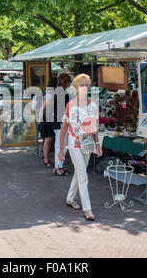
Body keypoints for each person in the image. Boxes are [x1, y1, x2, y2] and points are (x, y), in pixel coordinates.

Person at [58, 74, 102, 221]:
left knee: (79, 173)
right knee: (83, 176)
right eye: (81, 85)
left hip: (88, 143)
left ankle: (70, 198)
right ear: (76, 87)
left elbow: (95, 127)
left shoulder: (93, 105)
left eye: (86, 85)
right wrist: (61, 148)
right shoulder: (71, 105)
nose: (84, 87)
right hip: (74, 143)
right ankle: (87, 209)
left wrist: (97, 144)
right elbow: (64, 127)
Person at [51, 73, 72, 176]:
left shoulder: (57, 91)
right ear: (67, 82)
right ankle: (59, 167)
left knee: (59, 144)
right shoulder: (63, 93)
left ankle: (57, 166)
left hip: (56, 120)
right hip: (60, 121)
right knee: (62, 145)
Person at [38, 77, 58, 168]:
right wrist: (40, 117)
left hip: (50, 118)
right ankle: (46, 160)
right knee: (48, 139)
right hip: (48, 118)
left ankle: (47, 159)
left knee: (49, 139)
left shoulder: (52, 93)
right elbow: (44, 106)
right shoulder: (51, 94)